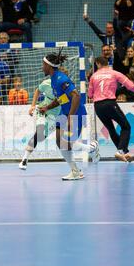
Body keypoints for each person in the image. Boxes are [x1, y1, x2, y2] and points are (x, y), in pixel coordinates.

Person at [38, 51, 99, 180]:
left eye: (43, 64)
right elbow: (63, 98)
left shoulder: (62, 79)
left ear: (49, 66)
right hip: (64, 112)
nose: (42, 67)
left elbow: (76, 96)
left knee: (67, 143)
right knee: (60, 142)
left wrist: (71, 117)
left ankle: (91, 148)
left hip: (75, 112)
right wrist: (47, 107)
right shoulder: (53, 79)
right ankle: (75, 171)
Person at [88, 56, 134, 162]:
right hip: (109, 103)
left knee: (111, 129)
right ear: (107, 64)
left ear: (98, 64)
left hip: (98, 106)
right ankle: (120, 151)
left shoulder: (93, 76)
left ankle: (125, 152)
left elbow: (90, 94)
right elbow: (129, 85)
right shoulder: (114, 73)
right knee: (126, 126)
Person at [19, 76, 61, 170]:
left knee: (40, 137)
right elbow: (38, 90)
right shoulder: (46, 83)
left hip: (54, 116)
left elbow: (60, 102)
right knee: (39, 131)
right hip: (42, 109)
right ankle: (24, 159)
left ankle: (25, 159)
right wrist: (32, 106)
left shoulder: (65, 89)